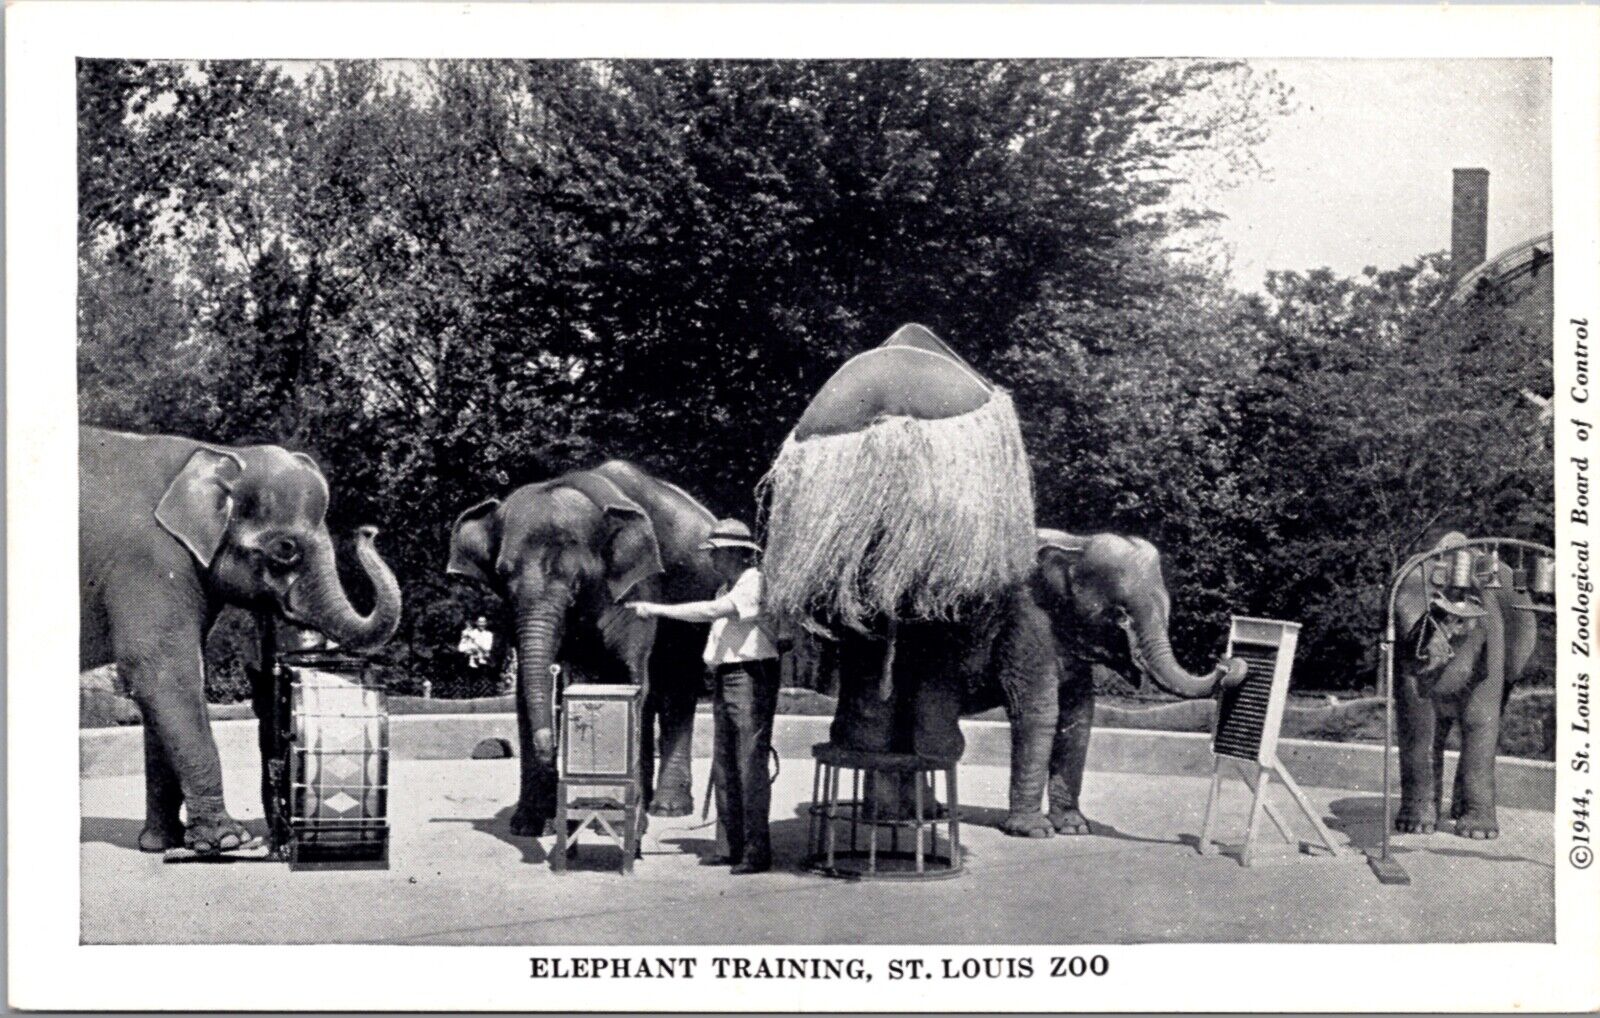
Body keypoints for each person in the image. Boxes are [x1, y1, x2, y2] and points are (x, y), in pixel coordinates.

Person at [629, 519, 779, 874]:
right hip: (728, 675)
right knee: (725, 763)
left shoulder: (752, 582)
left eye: (716, 554)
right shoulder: (727, 586)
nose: (711, 561)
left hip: (750, 676)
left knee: (748, 764)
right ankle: (730, 847)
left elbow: (714, 613)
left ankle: (756, 852)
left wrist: (656, 609)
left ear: (735, 555)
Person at [457, 615, 495, 696]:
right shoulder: (470, 633)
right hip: (471, 664)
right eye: (480, 622)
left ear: (486, 623)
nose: (481, 624)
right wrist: (469, 648)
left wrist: (475, 641)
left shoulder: (489, 634)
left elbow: (487, 648)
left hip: (483, 663)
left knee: (483, 686)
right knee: (470, 686)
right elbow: (461, 648)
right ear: (476, 623)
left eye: (483, 622)